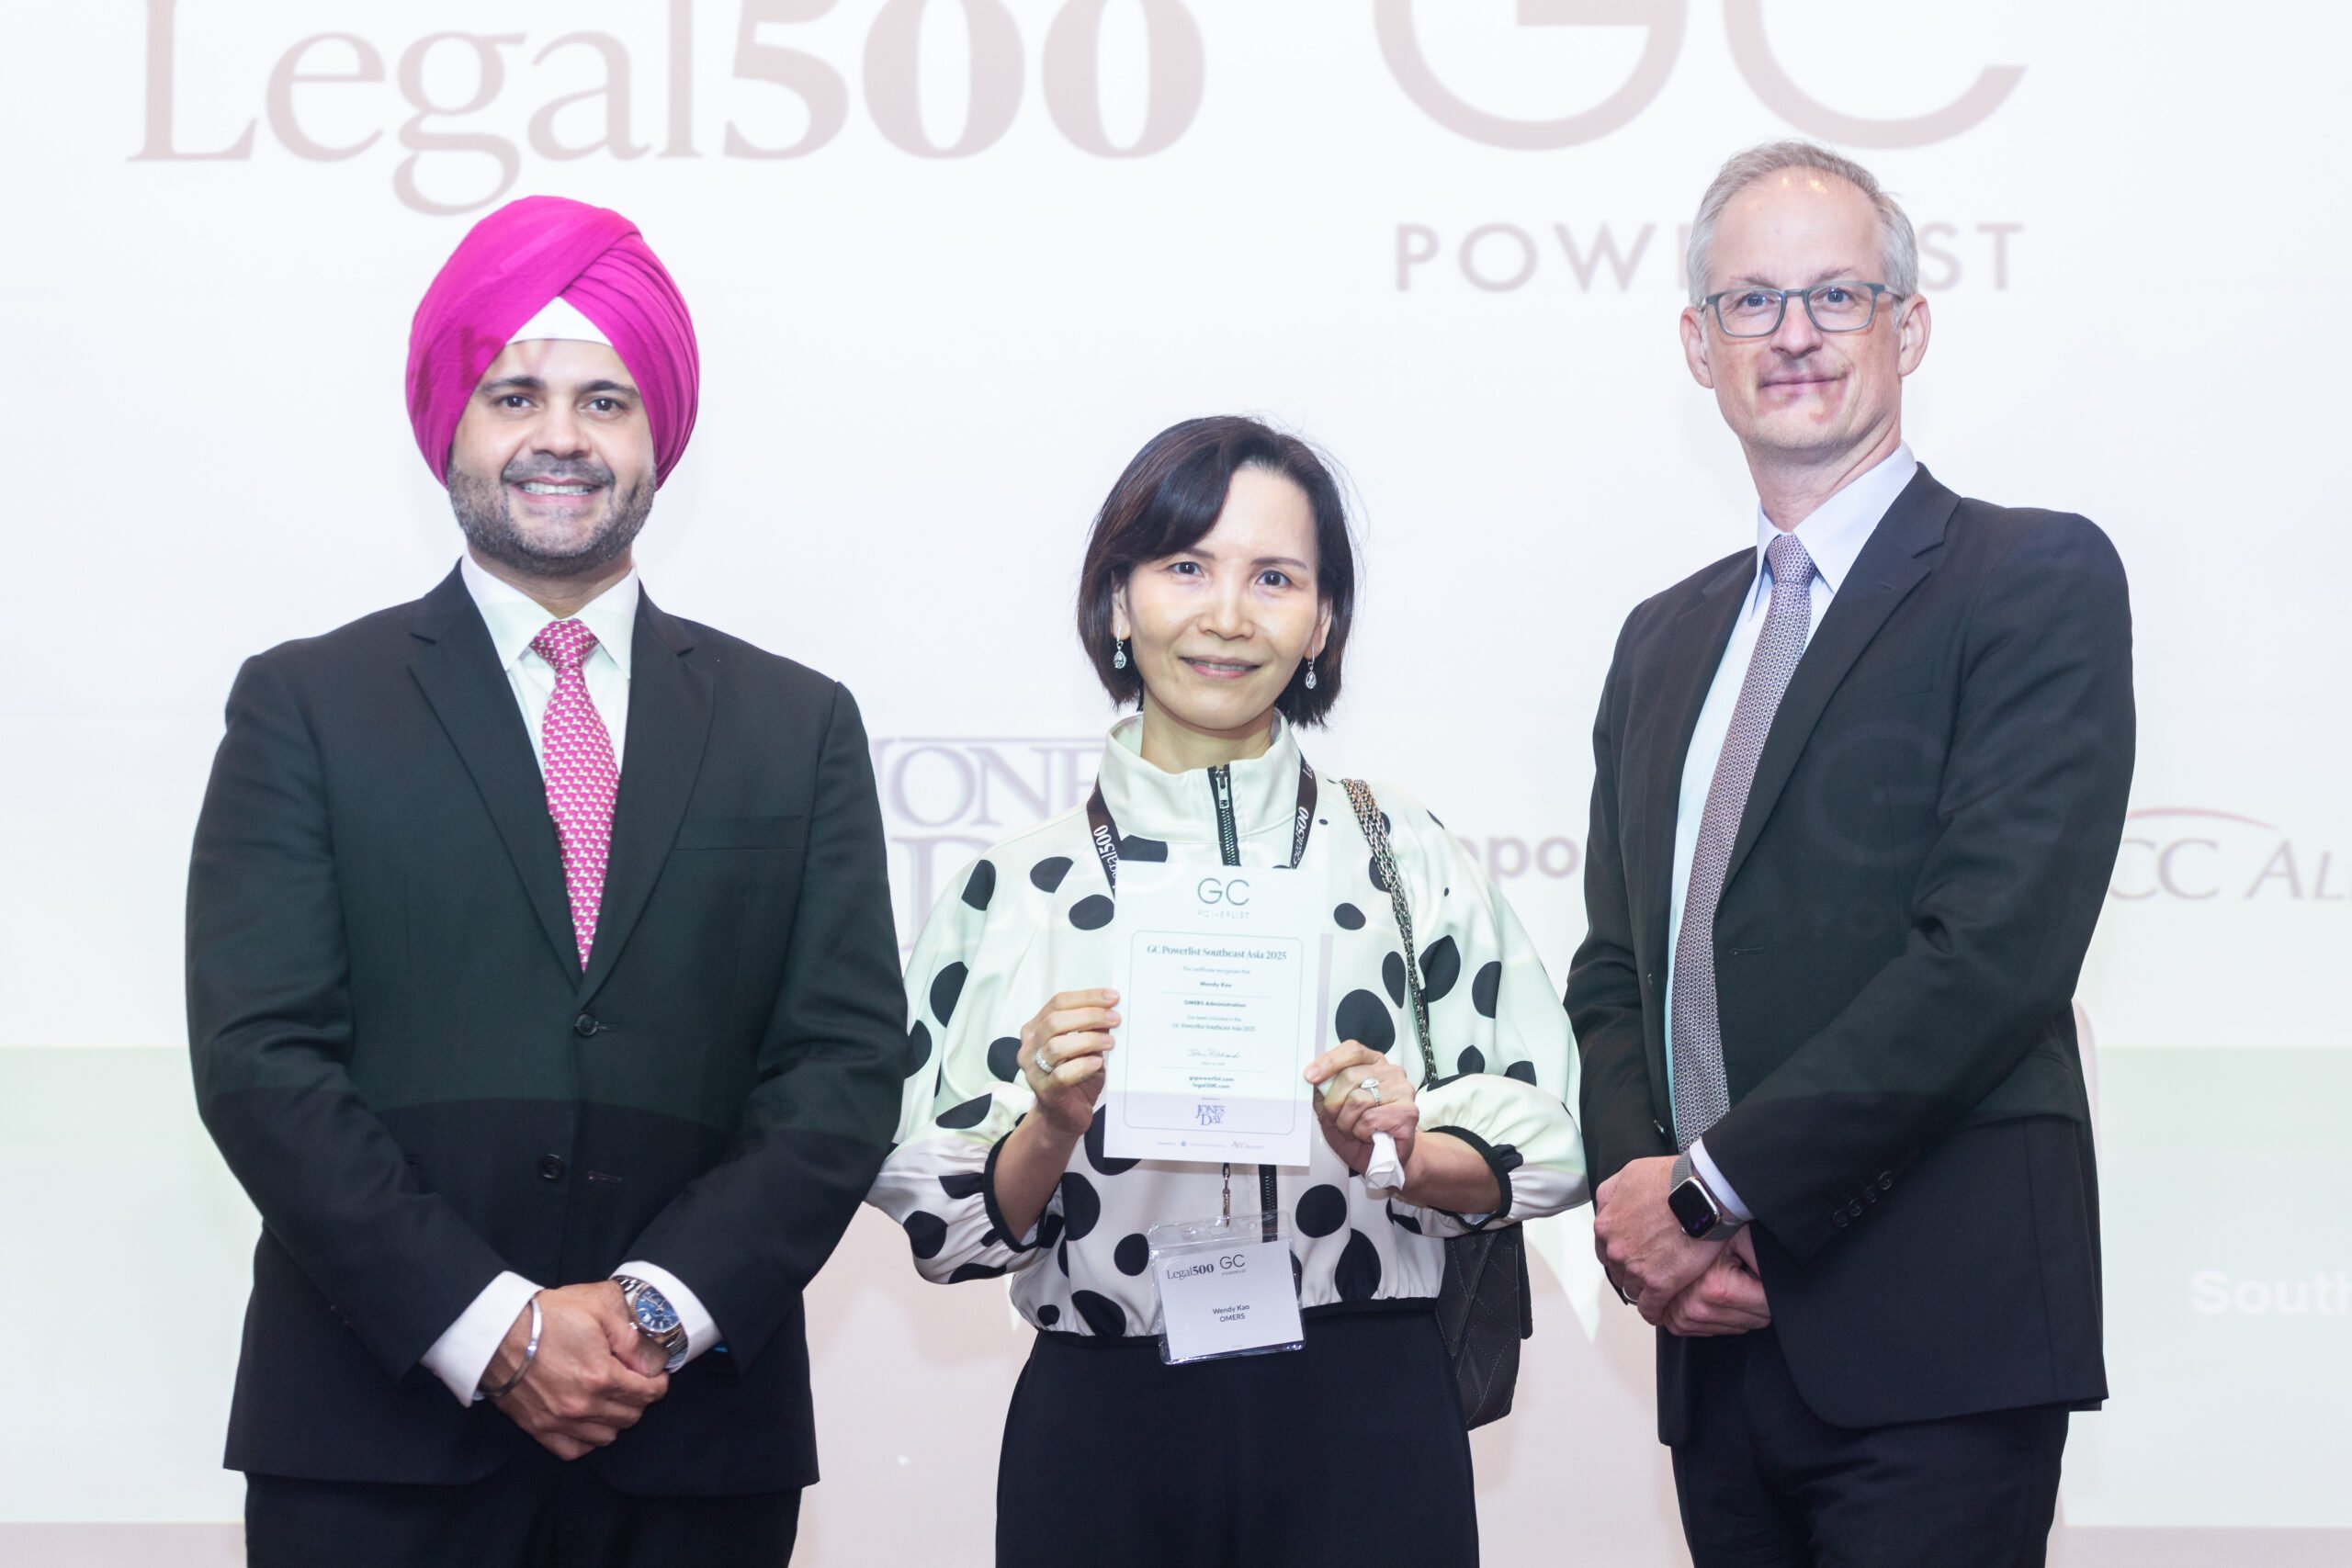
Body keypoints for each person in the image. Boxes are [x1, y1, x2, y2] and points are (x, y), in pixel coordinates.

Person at [186, 195, 906, 1566]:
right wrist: (493, 1324)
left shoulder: (796, 722)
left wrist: (655, 1309)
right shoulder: (306, 704)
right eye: (515, 395)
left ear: (658, 434)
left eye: (605, 400)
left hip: (690, 1443)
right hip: (374, 1438)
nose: (561, 437)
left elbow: (843, 1063)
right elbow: (262, 1061)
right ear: (450, 425)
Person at [866, 415, 1587, 1566]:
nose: (1228, 616)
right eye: (1185, 567)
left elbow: (1546, 1137)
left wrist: (1398, 1149)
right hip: (1105, 1419)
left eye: (1275, 578)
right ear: (1118, 601)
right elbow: (944, 1227)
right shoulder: (1017, 888)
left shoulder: (1403, 852)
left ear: (1323, 621)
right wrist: (1049, 1120)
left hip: (1365, 1404)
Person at [1566, 141, 2134, 1566]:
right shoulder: (1661, 638)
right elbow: (1619, 967)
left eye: (1836, 293)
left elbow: (1992, 955)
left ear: (1909, 324)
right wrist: (1647, 1212)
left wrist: (1711, 1188)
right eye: (1751, 302)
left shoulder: (2033, 578)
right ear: (1699, 345)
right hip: (1715, 1344)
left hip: (1938, 1334)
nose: (1796, 333)